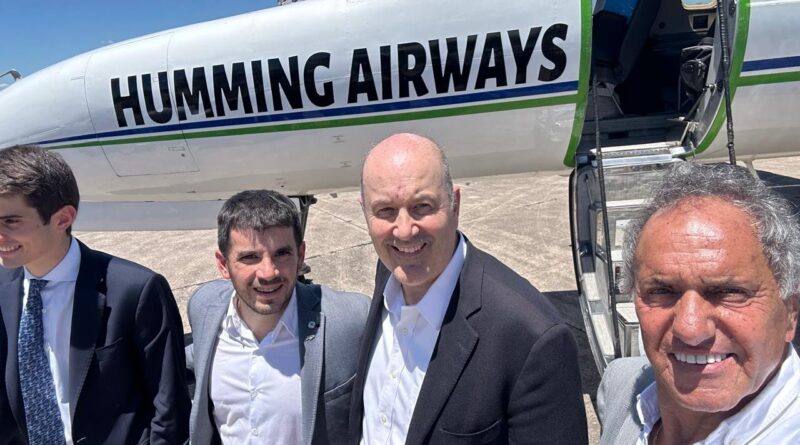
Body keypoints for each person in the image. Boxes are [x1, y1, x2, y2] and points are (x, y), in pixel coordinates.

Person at [350, 133, 587, 444]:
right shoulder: (390, 271)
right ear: (365, 212)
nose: (404, 231)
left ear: (455, 205)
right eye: (385, 211)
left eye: (422, 206)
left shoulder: (532, 338)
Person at [597, 162, 800, 444]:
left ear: (790, 312)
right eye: (662, 290)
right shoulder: (622, 387)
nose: (690, 330)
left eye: (728, 292)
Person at [0, 145, 190, 444]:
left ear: (63, 219)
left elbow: (169, 409)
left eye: (11, 221)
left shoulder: (135, 290)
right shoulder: (3, 289)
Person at [186, 189, 370, 445]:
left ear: (301, 255)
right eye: (250, 257)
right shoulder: (204, 307)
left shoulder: (352, 319)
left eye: (281, 254)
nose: (268, 272)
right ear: (222, 264)